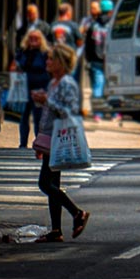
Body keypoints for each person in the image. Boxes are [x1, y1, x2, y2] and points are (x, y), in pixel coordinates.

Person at [31, 43, 90, 243]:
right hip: (50, 139)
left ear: (61, 62)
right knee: (52, 183)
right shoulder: (53, 82)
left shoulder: (67, 83)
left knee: (45, 183)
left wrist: (47, 101)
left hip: (60, 138)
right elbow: (49, 114)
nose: (47, 62)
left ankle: (77, 212)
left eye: (51, 59)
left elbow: (70, 111)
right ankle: (56, 229)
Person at [14, 29, 51, 149]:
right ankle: (23, 143)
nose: (33, 41)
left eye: (36, 38)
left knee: (38, 117)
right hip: (24, 87)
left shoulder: (45, 53)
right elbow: (17, 66)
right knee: (23, 116)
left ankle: (39, 142)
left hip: (40, 87)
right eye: (31, 38)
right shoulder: (23, 52)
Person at [81, 0, 113, 117]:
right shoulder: (114, 24)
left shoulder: (93, 25)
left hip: (95, 59)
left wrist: (89, 59)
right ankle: (114, 114)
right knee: (112, 86)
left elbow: (88, 44)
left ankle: (98, 114)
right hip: (112, 60)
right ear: (111, 11)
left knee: (97, 86)